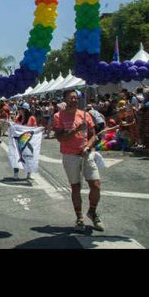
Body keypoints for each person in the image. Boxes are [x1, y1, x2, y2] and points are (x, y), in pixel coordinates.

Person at [52, 89, 104, 232]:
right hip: (70, 156)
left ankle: (92, 212)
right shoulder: (58, 116)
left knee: (96, 185)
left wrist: (87, 147)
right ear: (64, 100)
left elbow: (94, 136)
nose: (74, 100)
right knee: (76, 187)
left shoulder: (85, 115)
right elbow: (60, 138)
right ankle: (79, 217)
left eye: (76, 98)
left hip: (86, 154)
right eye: (71, 98)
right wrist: (76, 130)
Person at [13, 102, 39, 180]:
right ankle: (16, 173)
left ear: (24, 110)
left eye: (19, 109)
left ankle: (28, 173)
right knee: (16, 156)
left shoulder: (32, 118)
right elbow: (15, 127)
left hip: (28, 140)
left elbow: (34, 128)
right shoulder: (18, 118)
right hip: (19, 140)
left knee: (28, 156)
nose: (18, 110)